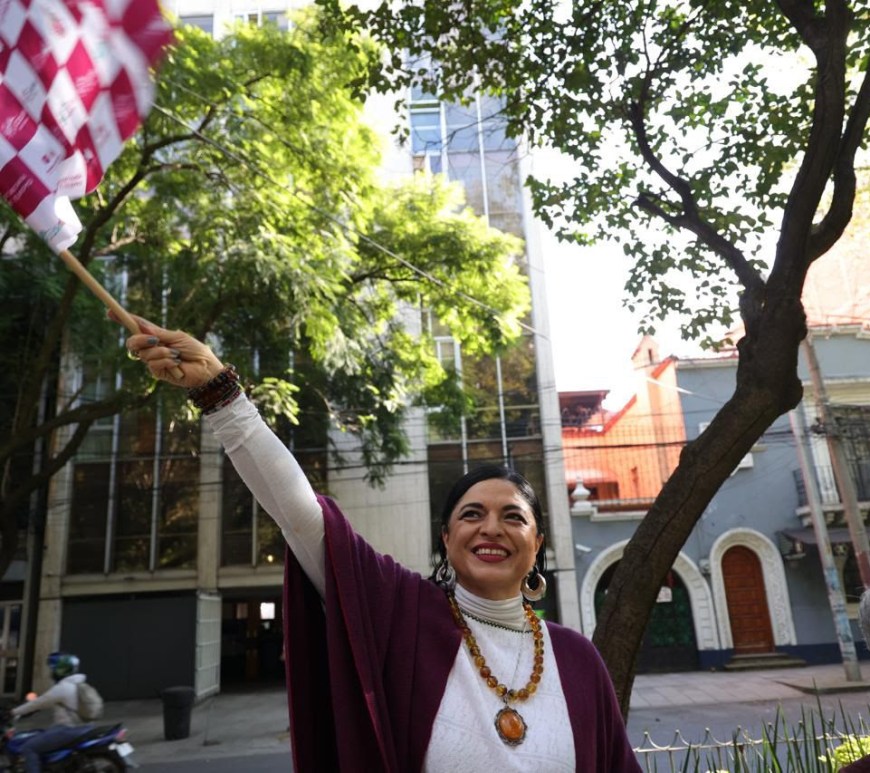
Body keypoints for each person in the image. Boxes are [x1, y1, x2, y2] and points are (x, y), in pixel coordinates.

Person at [121, 314, 642, 772]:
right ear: (446, 538)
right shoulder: (405, 615)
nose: (491, 528)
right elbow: (303, 517)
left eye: (513, 517)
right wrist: (220, 393)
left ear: (537, 543)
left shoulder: (577, 659)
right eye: (471, 514)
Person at [11, 652, 93, 773]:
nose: (51, 672)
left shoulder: (63, 687)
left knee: (29, 747)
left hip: (68, 730)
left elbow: (38, 703)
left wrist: (12, 712)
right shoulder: (79, 684)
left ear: (61, 670)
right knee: (41, 734)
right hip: (82, 727)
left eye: (53, 669)